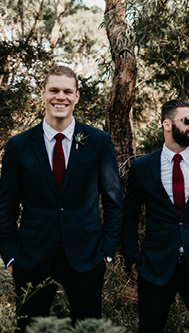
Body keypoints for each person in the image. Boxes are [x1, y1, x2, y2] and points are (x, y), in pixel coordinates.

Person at [0, 65, 122, 331]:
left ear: (77, 96)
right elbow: (6, 207)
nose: (60, 97)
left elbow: (114, 201)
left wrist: (107, 253)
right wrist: (10, 256)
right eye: (54, 90)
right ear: (43, 93)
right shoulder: (19, 146)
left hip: (87, 257)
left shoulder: (98, 142)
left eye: (67, 91)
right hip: (32, 257)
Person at [122, 99, 189, 333]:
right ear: (167, 125)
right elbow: (129, 216)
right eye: (187, 120)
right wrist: (132, 258)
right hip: (155, 267)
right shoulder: (142, 167)